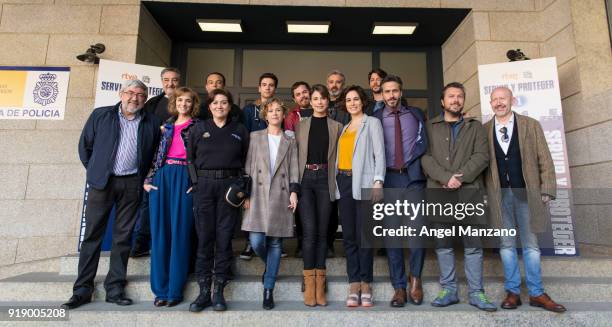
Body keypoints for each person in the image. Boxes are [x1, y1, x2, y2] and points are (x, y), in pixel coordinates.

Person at [62, 80, 161, 310]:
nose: (134, 98)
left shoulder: (152, 122)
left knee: (123, 237)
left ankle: (115, 288)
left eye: (139, 94)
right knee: (92, 236)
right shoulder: (101, 115)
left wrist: (144, 178)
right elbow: (85, 147)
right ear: (121, 94)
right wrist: (97, 172)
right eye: (130, 93)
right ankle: (82, 290)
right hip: (102, 184)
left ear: (145, 99)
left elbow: (155, 154)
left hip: (132, 184)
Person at [485, 87, 566, 313]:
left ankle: (536, 293)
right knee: (506, 246)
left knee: (531, 246)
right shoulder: (483, 130)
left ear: (512, 100)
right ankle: (512, 292)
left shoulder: (531, 125)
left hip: (527, 194)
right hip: (498, 197)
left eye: (503, 98)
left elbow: (545, 160)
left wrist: (547, 188)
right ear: (491, 103)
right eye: (495, 100)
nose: (499, 103)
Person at [421, 82, 496, 312]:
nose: (455, 100)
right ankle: (449, 290)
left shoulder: (476, 127)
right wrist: (446, 178)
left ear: (464, 100)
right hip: (439, 191)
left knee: (473, 246)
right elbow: (425, 157)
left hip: (469, 193)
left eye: (460, 96)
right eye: (451, 96)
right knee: (443, 245)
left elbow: (482, 156)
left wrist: (459, 178)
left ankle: (476, 293)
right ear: (442, 101)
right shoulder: (429, 126)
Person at [188, 89, 249, 312]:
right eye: (216, 103)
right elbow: (189, 159)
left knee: (224, 239)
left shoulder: (240, 130)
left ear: (230, 106)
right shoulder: (199, 129)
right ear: (210, 106)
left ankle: (219, 292)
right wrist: (195, 184)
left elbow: (246, 161)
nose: (220, 106)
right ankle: (203, 291)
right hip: (204, 187)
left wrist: (242, 188)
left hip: (229, 189)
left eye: (224, 103)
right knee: (205, 238)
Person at [372, 75, 427, 307]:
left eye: (395, 91)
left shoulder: (416, 114)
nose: (391, 95)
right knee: (392, 236)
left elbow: (426, 142)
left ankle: (416, 278)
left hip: (413, 178)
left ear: (401, 92)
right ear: (381, 94)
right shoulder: (374, 119)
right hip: (389, 179)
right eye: (387, 92)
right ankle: (399, 287)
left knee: (416, 232)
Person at [242, 98, 300, 310]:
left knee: (275, 243)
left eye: (278, 111)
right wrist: (246, 195)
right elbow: (248, 167)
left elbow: (294, 168)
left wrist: (294, 192)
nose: (274, 113)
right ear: (265, 115)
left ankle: (268, 287)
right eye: (271, 110)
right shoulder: (255, 137)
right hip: (257, 193)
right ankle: (271, 267)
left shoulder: (290, 140)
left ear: (284, 115)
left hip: (281, 194)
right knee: (256, 241)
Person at [144, 87, 200, 307]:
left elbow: (203, 159)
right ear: (174, 102)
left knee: (180, 234)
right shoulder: (165, 127)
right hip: (162, 178)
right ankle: (160, 290)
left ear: (193, 104)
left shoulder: (198, 127)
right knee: (160, 234)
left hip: (185, 178)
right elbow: (150, 154)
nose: (183, 104)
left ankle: (175, 290)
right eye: (180, 100)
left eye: (188, 101)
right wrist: (147, 180)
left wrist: (197, 185)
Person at [335, 85, 385, 307]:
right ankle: (353, 283)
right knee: (349, 236)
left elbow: (379, 153)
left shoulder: (372, 123)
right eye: (348, 100)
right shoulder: (345, 128)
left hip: (364, 182)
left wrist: (378, 181)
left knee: (364, 236)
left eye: (356, 99)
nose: (352, 103)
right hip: (344, 182)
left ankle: (366, 283)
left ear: (363, 101)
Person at [294, 84, 343, 306]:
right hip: (305, 180)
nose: (320, 102)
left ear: (327, 101)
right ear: (310, 101)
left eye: (323, 98)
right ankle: (308, 282)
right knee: (309, 232)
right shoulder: (300, 125)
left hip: (325, 179)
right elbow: (294, 156)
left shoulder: (337, 126)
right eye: (315, 98)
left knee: (323, 232)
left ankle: (319, 284)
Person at [131, 67, 181, 258]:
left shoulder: (186, 102)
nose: (171, 84)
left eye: (174, 80)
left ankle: (170, 243)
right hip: (154, 161)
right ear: (162, 82)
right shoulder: (152, 104)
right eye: (167, 80)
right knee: (148, 201)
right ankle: (141, 242)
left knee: (173, 205)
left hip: (177, 163)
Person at [240, 72, 279, 260]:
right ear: (259, 87)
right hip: (254, 161)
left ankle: (272, 240)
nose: (267, 87)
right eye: (264, 84)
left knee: (272, 204)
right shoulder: (249, 110)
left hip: (273, 161)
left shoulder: (278, 109)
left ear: (275, 89)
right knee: (252, 203)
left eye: (271, 85)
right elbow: (244, 135)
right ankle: (250, 242)